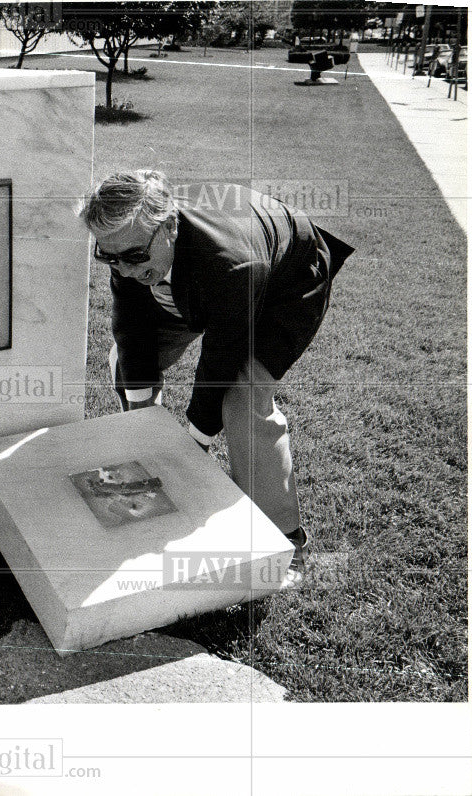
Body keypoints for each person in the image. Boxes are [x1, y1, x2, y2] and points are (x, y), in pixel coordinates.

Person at [79, 170, 354, 588]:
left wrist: (194, 444)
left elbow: (220, 362)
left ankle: (286, 539)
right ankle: (144, 446)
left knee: (241, 397)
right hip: (199, 278)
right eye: (108, 257)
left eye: (133, 256)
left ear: (169, 226)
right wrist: (141, 423)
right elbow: (132, 329)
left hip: (287, 280)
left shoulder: (230, 264)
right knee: (128, 358)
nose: (123, 268)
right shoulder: (129, 242)